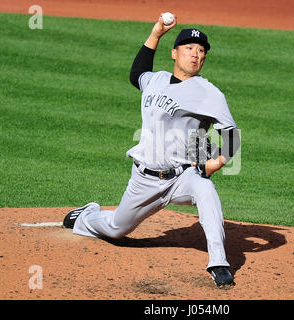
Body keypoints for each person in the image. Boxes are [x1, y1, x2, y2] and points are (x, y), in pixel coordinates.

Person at [63, 13, 241, 287]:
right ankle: (86, 216)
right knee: (116, 229)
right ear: (175, 53)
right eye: (189, 48)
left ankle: (218, 263)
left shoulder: (209, 94)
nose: (195, 54)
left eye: (201, 50)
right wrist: (156, 33)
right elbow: (137, 73)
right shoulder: (155, 80)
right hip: (144, 179)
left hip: (182, 177)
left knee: (206, 191)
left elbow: (231, 133)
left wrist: (217, 162)